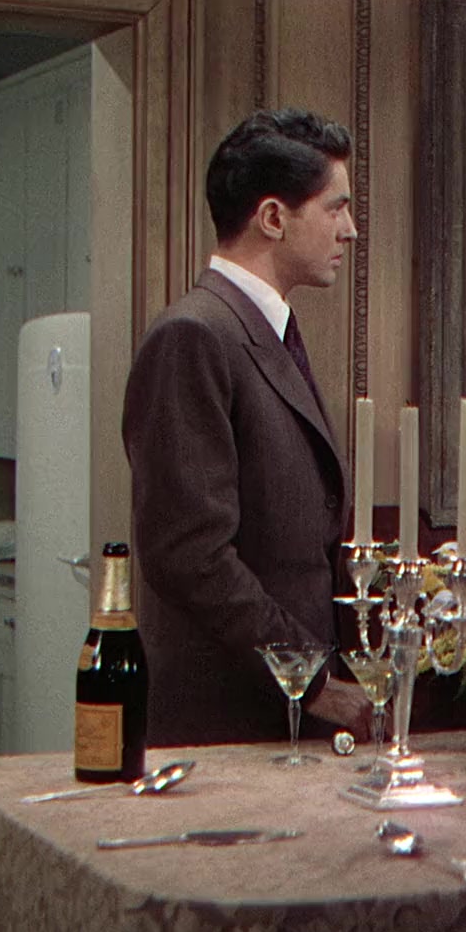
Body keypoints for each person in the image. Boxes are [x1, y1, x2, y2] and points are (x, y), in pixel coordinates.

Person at [122, 108, 372, 745]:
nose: (350, 230)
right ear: (272, 218)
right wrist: (314, 681)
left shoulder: (264, 328)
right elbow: (189, 555)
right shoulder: (193, 335)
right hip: (228, 725)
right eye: (336, 208)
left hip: (282, 724)